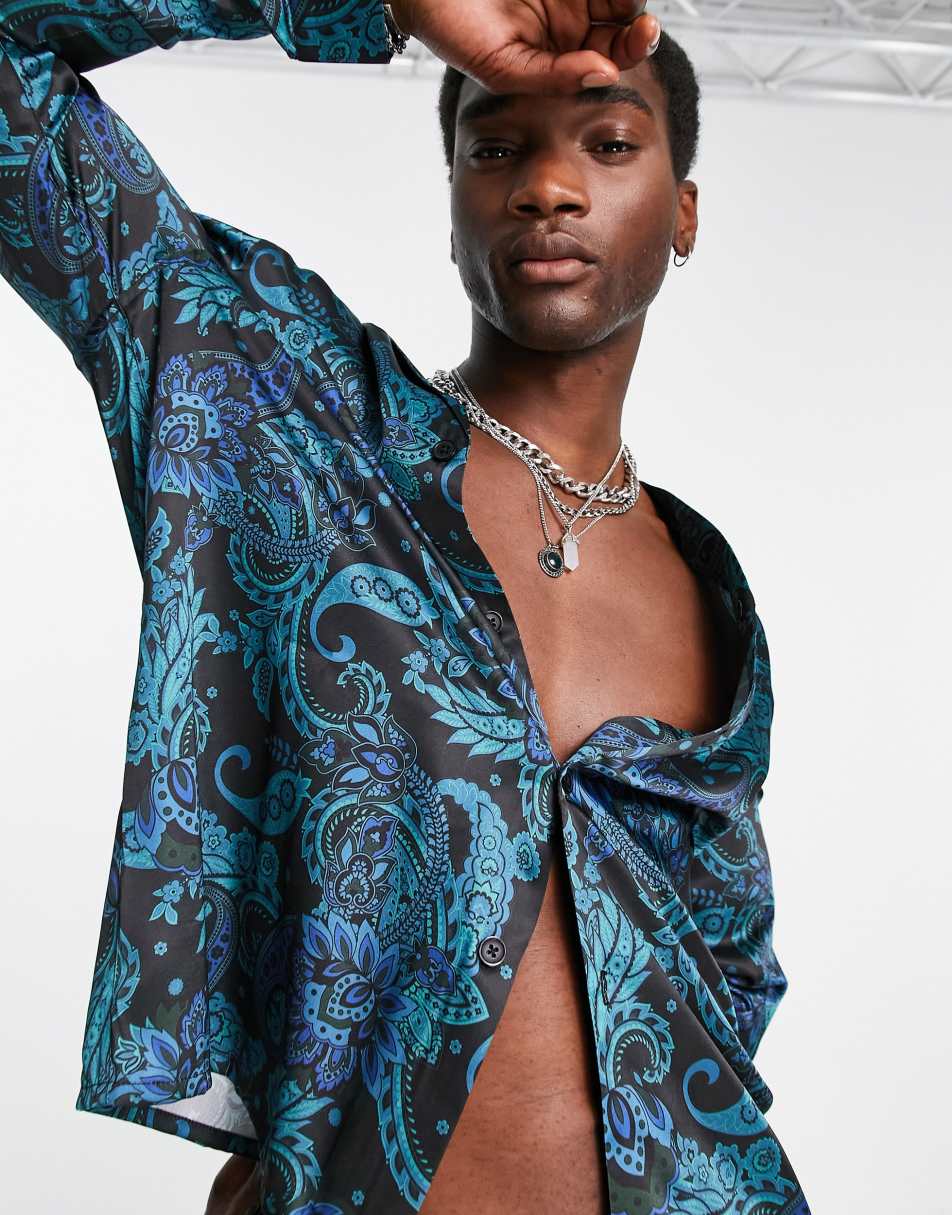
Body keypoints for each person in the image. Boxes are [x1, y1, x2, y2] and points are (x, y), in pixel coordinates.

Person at [0, 1, 812, 1212]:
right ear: (452, 203)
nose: (547, 187)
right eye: (496, 146)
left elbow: (724, 979)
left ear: (682, 212)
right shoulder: (294, 422)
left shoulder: (706, 585)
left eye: (607, 143)